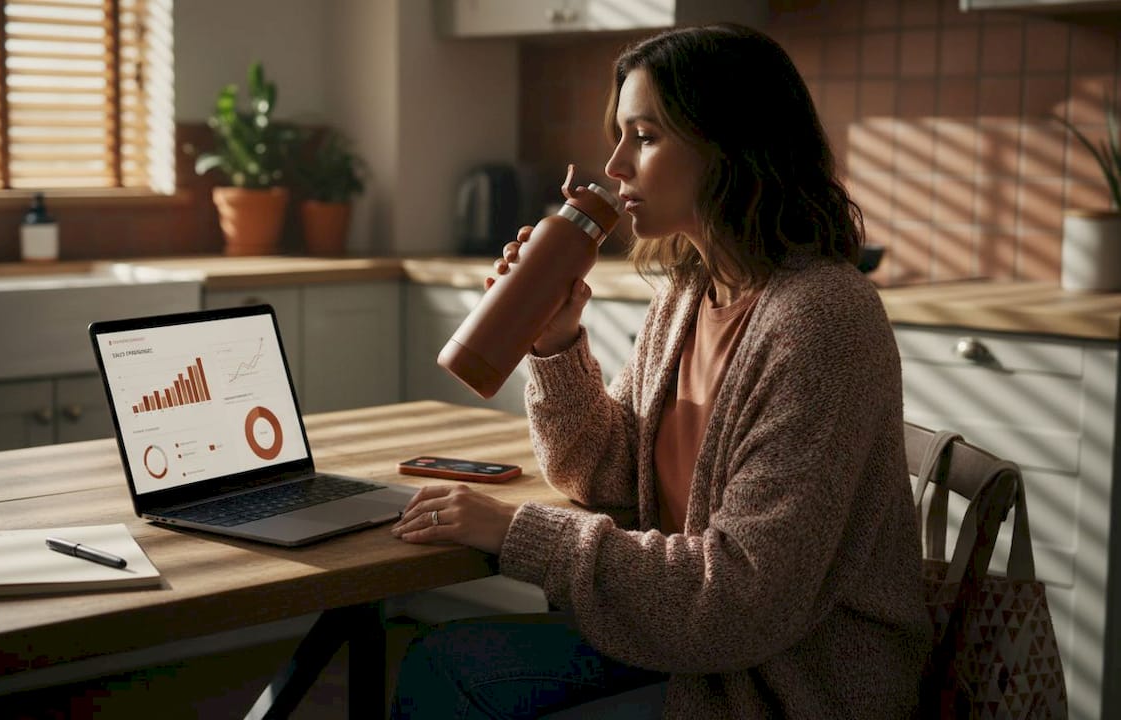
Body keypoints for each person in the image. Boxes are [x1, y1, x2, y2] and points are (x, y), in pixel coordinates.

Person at [389, 22, 931, 719]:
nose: (614, 165)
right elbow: (606, 472)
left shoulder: (822, 319)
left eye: (644, 137)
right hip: (696, 646)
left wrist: (515, 532)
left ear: (731, 145)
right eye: (620, 134)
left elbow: (742, 598)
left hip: (785, 682)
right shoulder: (688, 294)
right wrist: (556, 343)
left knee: (446, 672)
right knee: (444, 660)